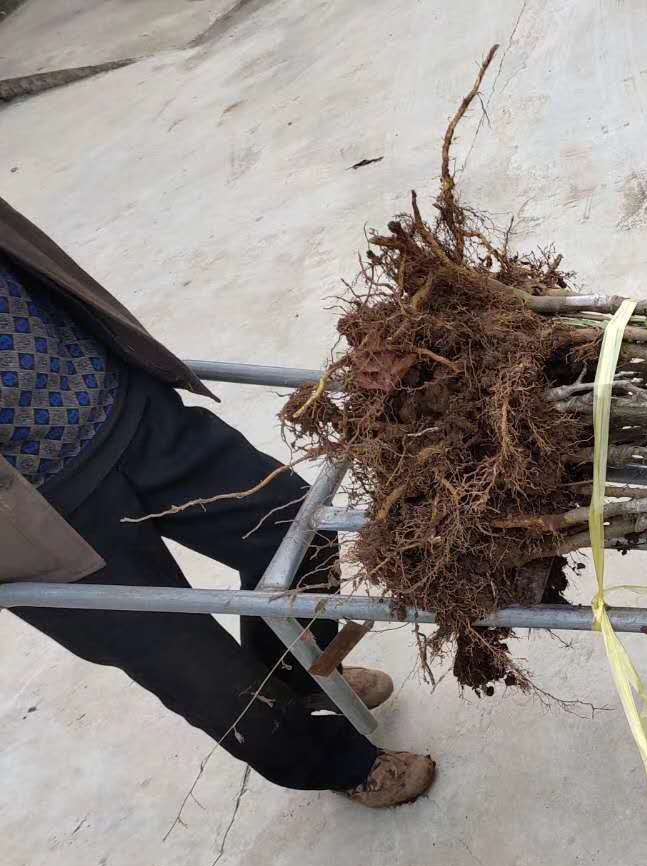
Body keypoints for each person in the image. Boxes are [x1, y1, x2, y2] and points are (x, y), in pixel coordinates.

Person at [0, 197, 436, 807]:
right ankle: (335, 761)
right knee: (195, 666)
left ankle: (296, 679)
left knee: (290, 521)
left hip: (123, 406)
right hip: (37, 518)